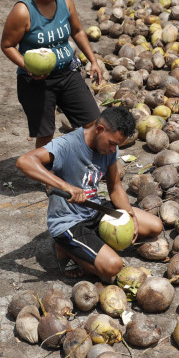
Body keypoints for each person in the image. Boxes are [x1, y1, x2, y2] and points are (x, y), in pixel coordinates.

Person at [16, 107, 163, 280]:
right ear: (99, 129)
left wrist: (131, 215)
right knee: (112, 269)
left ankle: (89, 244)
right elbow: (24, 161)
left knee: (155, 226)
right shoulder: (67, 145)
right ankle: (64, 249)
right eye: (112, 143)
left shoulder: (109, 149)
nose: (113, 150)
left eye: (117, 145)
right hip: (68, 221)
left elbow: (115, 187)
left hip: (96, 209)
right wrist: (65, 187)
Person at [1, 0, 104, 149]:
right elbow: (7, 45)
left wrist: (93, 60)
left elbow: (78, 31)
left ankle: (86, 166)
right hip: (36, 84)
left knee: (93, 122)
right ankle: (44, 175)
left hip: (67, 73)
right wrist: (28, 66)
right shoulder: (23, 12)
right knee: (46, 135)